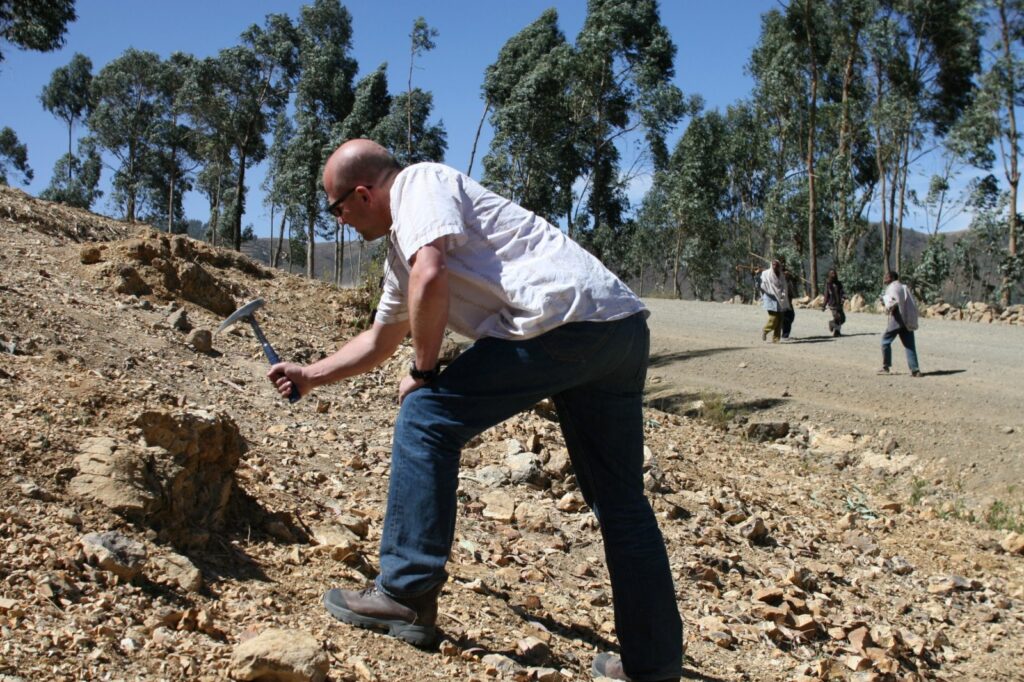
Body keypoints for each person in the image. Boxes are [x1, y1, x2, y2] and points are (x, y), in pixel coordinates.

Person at [267, 139, 683, 682]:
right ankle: (653, 666)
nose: (339, 220)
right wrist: (311, 375)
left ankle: (405, 593)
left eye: (336, 208)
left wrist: (423, 372)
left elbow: (432, 275)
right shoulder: (403, 246)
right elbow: (382, 336)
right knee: (621, 502)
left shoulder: (419, 184)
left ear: (363, 193)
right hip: (618, 329)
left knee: (425, 417)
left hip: (560, 323)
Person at [878, 271, 921, 377]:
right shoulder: (904, 287)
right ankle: (915, 370)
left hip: (897, 319)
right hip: (906, 319)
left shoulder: (892, 288)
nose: (885, 279)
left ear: (892, 278)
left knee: (885, 341)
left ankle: (886, 366)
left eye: (887, 277)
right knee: (909, 346)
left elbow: (893, 303)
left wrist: (885, 302)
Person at [757, 259, 790, 343]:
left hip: (780, 299)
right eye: (773, 264)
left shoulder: (782, 275)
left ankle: (776, 339)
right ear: (771, 265)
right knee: (774, 318)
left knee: (780, 319)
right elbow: (762, 285)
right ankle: (765, 330)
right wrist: (757, 273)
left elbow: (784, 287)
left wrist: (782, 298)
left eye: (777, 265)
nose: (775, 266)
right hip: (770, 298)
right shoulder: (766, 274)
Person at [822, 269, 846, 337]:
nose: (834, 275)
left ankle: (837, 332)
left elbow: (842, 292)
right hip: (832, 304)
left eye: (834, 273)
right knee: (837, 317)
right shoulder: (828, 284)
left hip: (839, 304)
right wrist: (824, 305)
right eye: (832, 273)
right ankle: (832, 324)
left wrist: (844, 297)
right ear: (829, 275)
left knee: (842, 319)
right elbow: (826, 295)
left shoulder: (839, 283)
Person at [781, 265, 799, 339]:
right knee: (786, 318)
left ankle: (784, 332)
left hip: (789, 302)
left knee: (791, 317)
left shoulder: (790, 281)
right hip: (782, 303)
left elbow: (794, 289)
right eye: (785, 272)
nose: (787, 273)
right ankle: (785, 335)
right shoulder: (779, 281)